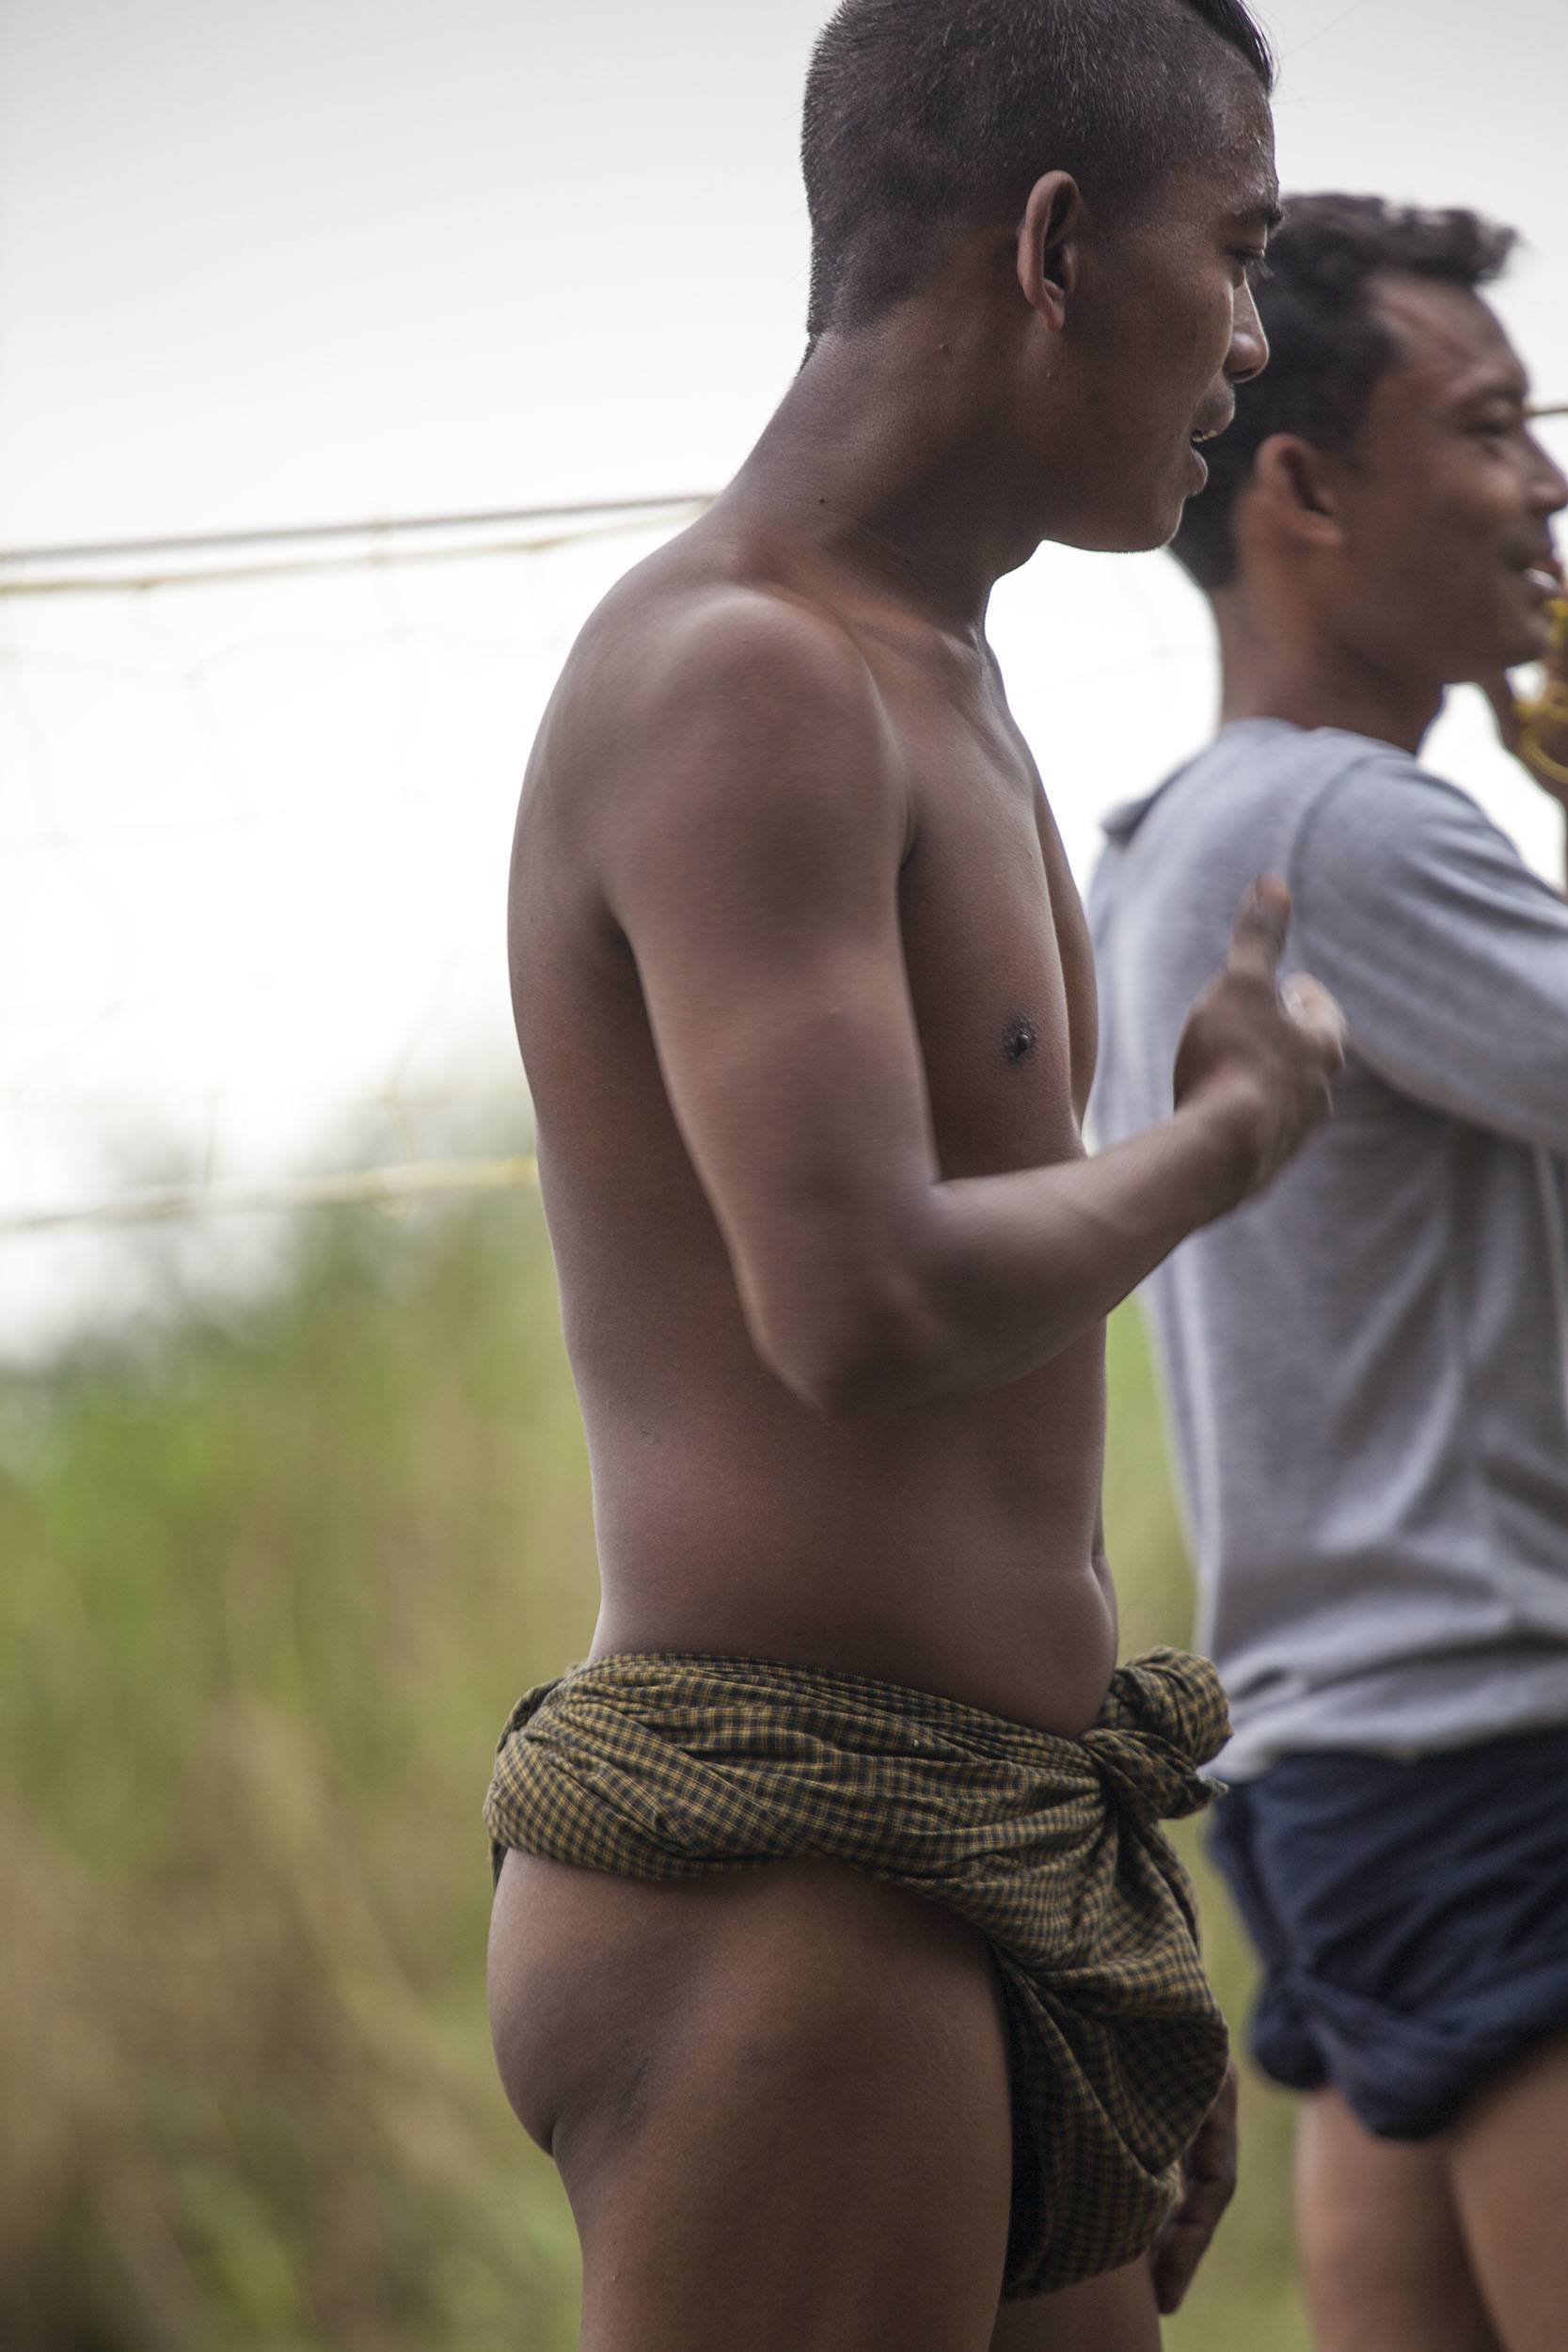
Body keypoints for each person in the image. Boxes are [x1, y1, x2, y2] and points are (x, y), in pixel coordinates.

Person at [484, 6, 1347, 2346]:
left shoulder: (941, 680)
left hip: (984, 1858)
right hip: (794, 1883)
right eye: (1238, 251)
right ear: (1057, 247)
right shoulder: (741, 674)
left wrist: (1100, 1931)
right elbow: (850, 1303)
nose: (1252, 343)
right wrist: (1221, 1142)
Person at [1088, 194, 1568, 2352]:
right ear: (1300, 486)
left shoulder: (1172, 834)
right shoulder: (1362, 833)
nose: (1545, 482)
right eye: (1489, 427)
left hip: (1334, 1785)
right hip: (1505, 1747)